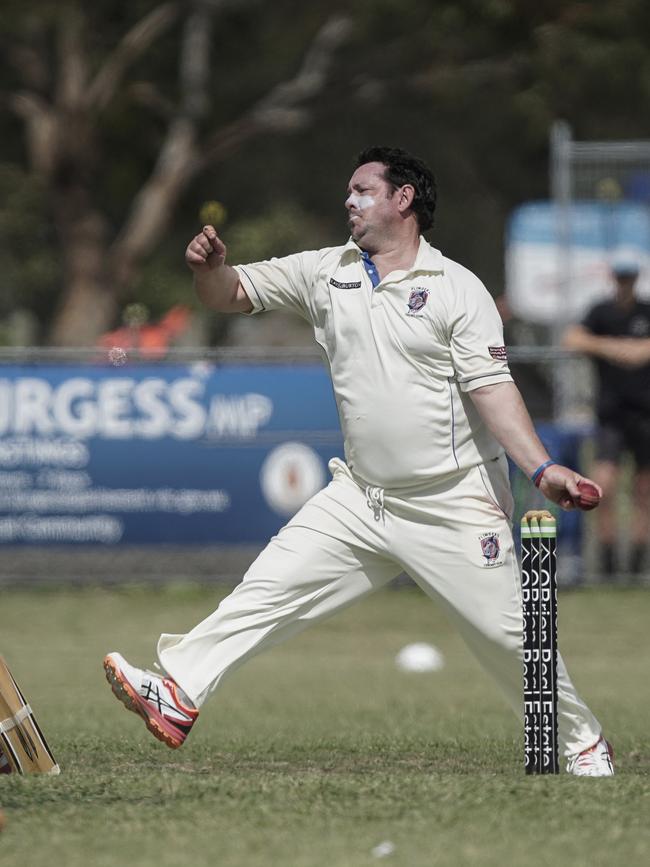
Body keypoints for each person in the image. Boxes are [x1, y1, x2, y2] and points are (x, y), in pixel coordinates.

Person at [104, 146, 614, 776]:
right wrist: (211, 267)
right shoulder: (328, 270)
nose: (349, 200)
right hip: (363, 497)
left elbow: (493, 390)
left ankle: (582, 743)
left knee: (506, 638)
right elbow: (229, 294)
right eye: (348, 191)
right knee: (269, 587)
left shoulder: (456, 288)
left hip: (452, 500)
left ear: (404, 199)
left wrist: (542, 470)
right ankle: (179, 690)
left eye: (362, 189)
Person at [563, 262, 650, 579]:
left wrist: (639, 350)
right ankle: (609, 562)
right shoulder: (600, 311)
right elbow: (572, 339)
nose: (625, 283)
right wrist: (615, 347)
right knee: (604, 488)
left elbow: (641, 353)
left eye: (630, 278)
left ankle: (638, 564)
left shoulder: (645, 310)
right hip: (611, 414)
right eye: (621, 278)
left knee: (644, 491)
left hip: (645, 414)